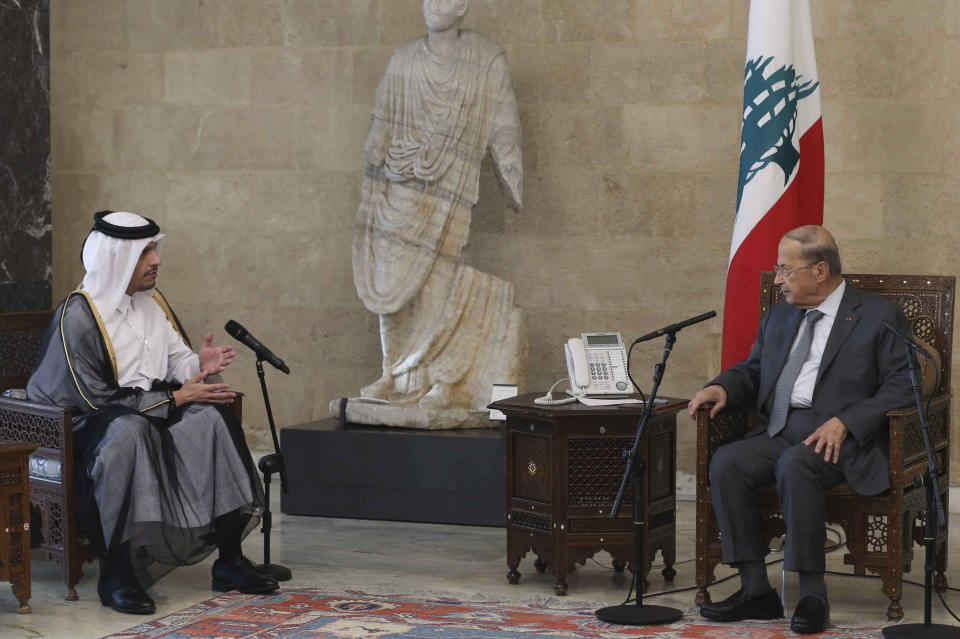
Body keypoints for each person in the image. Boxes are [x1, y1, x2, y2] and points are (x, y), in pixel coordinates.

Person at [27, 211, 277, 615]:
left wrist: (199, 365)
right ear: (115, 258)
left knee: (211, 416)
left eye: (154, 249)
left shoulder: (151, 303)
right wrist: (175, 400)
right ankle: (118, 574)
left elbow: (173, 363)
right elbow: (95, 400)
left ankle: (230, 560)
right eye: (145, 252)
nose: (156, 260)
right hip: (85, 428)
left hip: (144, 411)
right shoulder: (78, 315)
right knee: (129, 433)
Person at [687, 225, 913, 634]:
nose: (778, 280)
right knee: (728, 462)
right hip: (780, 429)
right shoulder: (779, 315)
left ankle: (812, 595)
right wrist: (722, 386)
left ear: (820, 270)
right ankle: (755, 589)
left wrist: (848, 421)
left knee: (796, 465)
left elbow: (903, 385)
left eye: (785, 270)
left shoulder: (878, 315)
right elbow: (755, 370)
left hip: (841, 439)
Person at [352, 0, 526, 412]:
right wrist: (374, 161)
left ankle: (444, 379)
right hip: (397, 184)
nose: (434, 6)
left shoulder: (485, 59)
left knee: (440, 282)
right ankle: (393, 373)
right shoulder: (404, 58)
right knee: (391, 281)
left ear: (463, 6)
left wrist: (512, 174)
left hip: (448, 185)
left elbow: (504, 122)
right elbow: (381, 119)